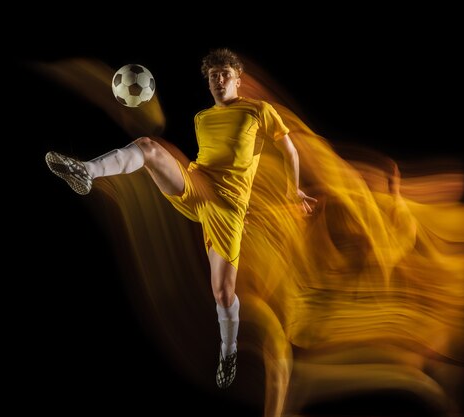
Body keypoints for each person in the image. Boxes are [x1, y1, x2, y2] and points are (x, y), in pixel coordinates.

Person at [45, 48, 316, 389]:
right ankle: (86, 171)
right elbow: (209, 158)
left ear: (237, 79)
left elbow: (288, 149)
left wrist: (294, 190)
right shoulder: (202, 118)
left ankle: (228, 349)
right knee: (148, 147)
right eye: (212, 76)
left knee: (222, 292)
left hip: (228, 209)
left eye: (224, 75)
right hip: (197, 184)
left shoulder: (259, 111)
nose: (218, 80)